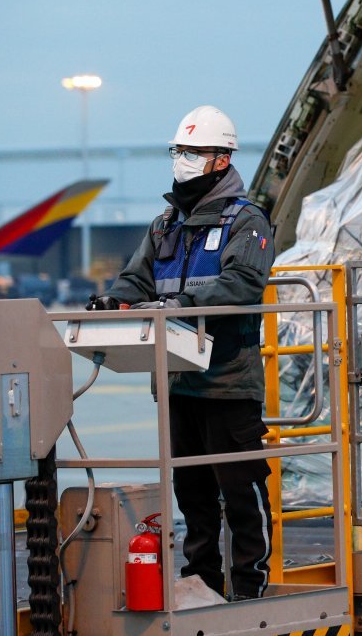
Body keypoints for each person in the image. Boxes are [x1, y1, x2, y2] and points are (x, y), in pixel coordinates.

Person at [89, 105, 276, 600]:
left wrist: (178, 304)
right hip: (176, 381)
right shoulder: (165, 224)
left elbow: (242, 284)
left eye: (194, 152)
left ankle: (251, 584)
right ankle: (203, 583)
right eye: (180, 151)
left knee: (240, 490)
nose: (184, 160)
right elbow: (137, 277)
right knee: (191, 494)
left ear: (221, 159)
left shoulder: (247, 221)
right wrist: (117, 299)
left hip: (226, 381)